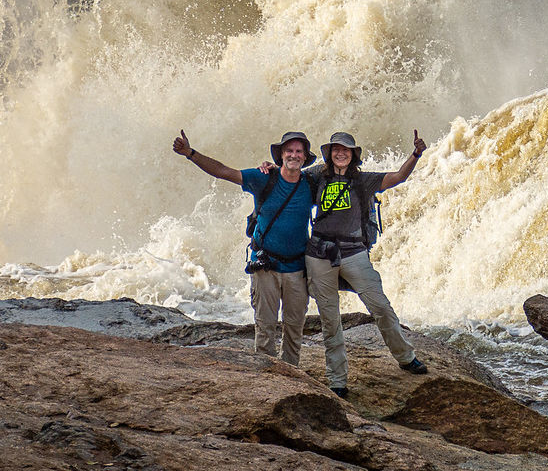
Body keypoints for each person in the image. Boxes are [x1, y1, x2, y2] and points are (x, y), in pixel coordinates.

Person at [173, 129, 317, 366]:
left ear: (305, 157)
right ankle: (264, 375)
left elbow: (339, 174)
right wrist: (190, 153)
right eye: (289, 150)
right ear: (281, 155)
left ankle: (292, 374)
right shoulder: (264, 178)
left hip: (297, 267)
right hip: (266, 265)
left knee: (295, 326)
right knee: (265, 325)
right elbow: (223, 172)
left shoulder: (311, 183)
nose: (294, 155)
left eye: (299, 151)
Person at [304, 129, 429, 397]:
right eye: (337, 149)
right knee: (329, 319)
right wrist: (269, 167)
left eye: (346, 150)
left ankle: (406, 357)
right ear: (329, 153)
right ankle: (337, 380)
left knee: (381, 307)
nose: (341, 153)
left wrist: (416, 154)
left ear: (353, 155)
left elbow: (398, 177)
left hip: (354, 252)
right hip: (320, 253)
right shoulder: (316, 176)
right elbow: (287, 177)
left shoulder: (364, 180)